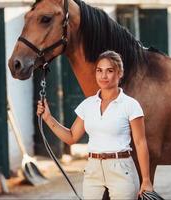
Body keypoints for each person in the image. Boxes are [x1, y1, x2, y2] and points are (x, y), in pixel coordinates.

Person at [37, 50, 153, 199]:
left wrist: (146, 180)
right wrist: (48, 118)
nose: (103, 76)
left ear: (119, 73)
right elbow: (71, 137)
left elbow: (140, 142)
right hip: (93, 169)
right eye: (99, 71)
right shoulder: (88, 104)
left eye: (109, 71)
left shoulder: (130, 105)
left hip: (121, 169)